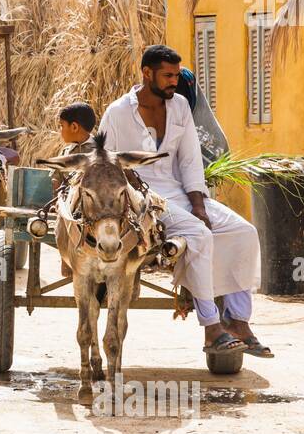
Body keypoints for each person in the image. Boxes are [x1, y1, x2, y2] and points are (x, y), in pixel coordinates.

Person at [98, 44, 270, 359]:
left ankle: (239, 321)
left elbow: (191, 161)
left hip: (177, 192)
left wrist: (200, 206)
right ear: (146, 73)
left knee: (243, 232)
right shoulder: (118, 113)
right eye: (167, 75)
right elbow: (105, 164)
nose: (174, 82)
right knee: (199, 234)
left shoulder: (179, 107)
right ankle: (211, 328)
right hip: (137, 198)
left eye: (177, 75)